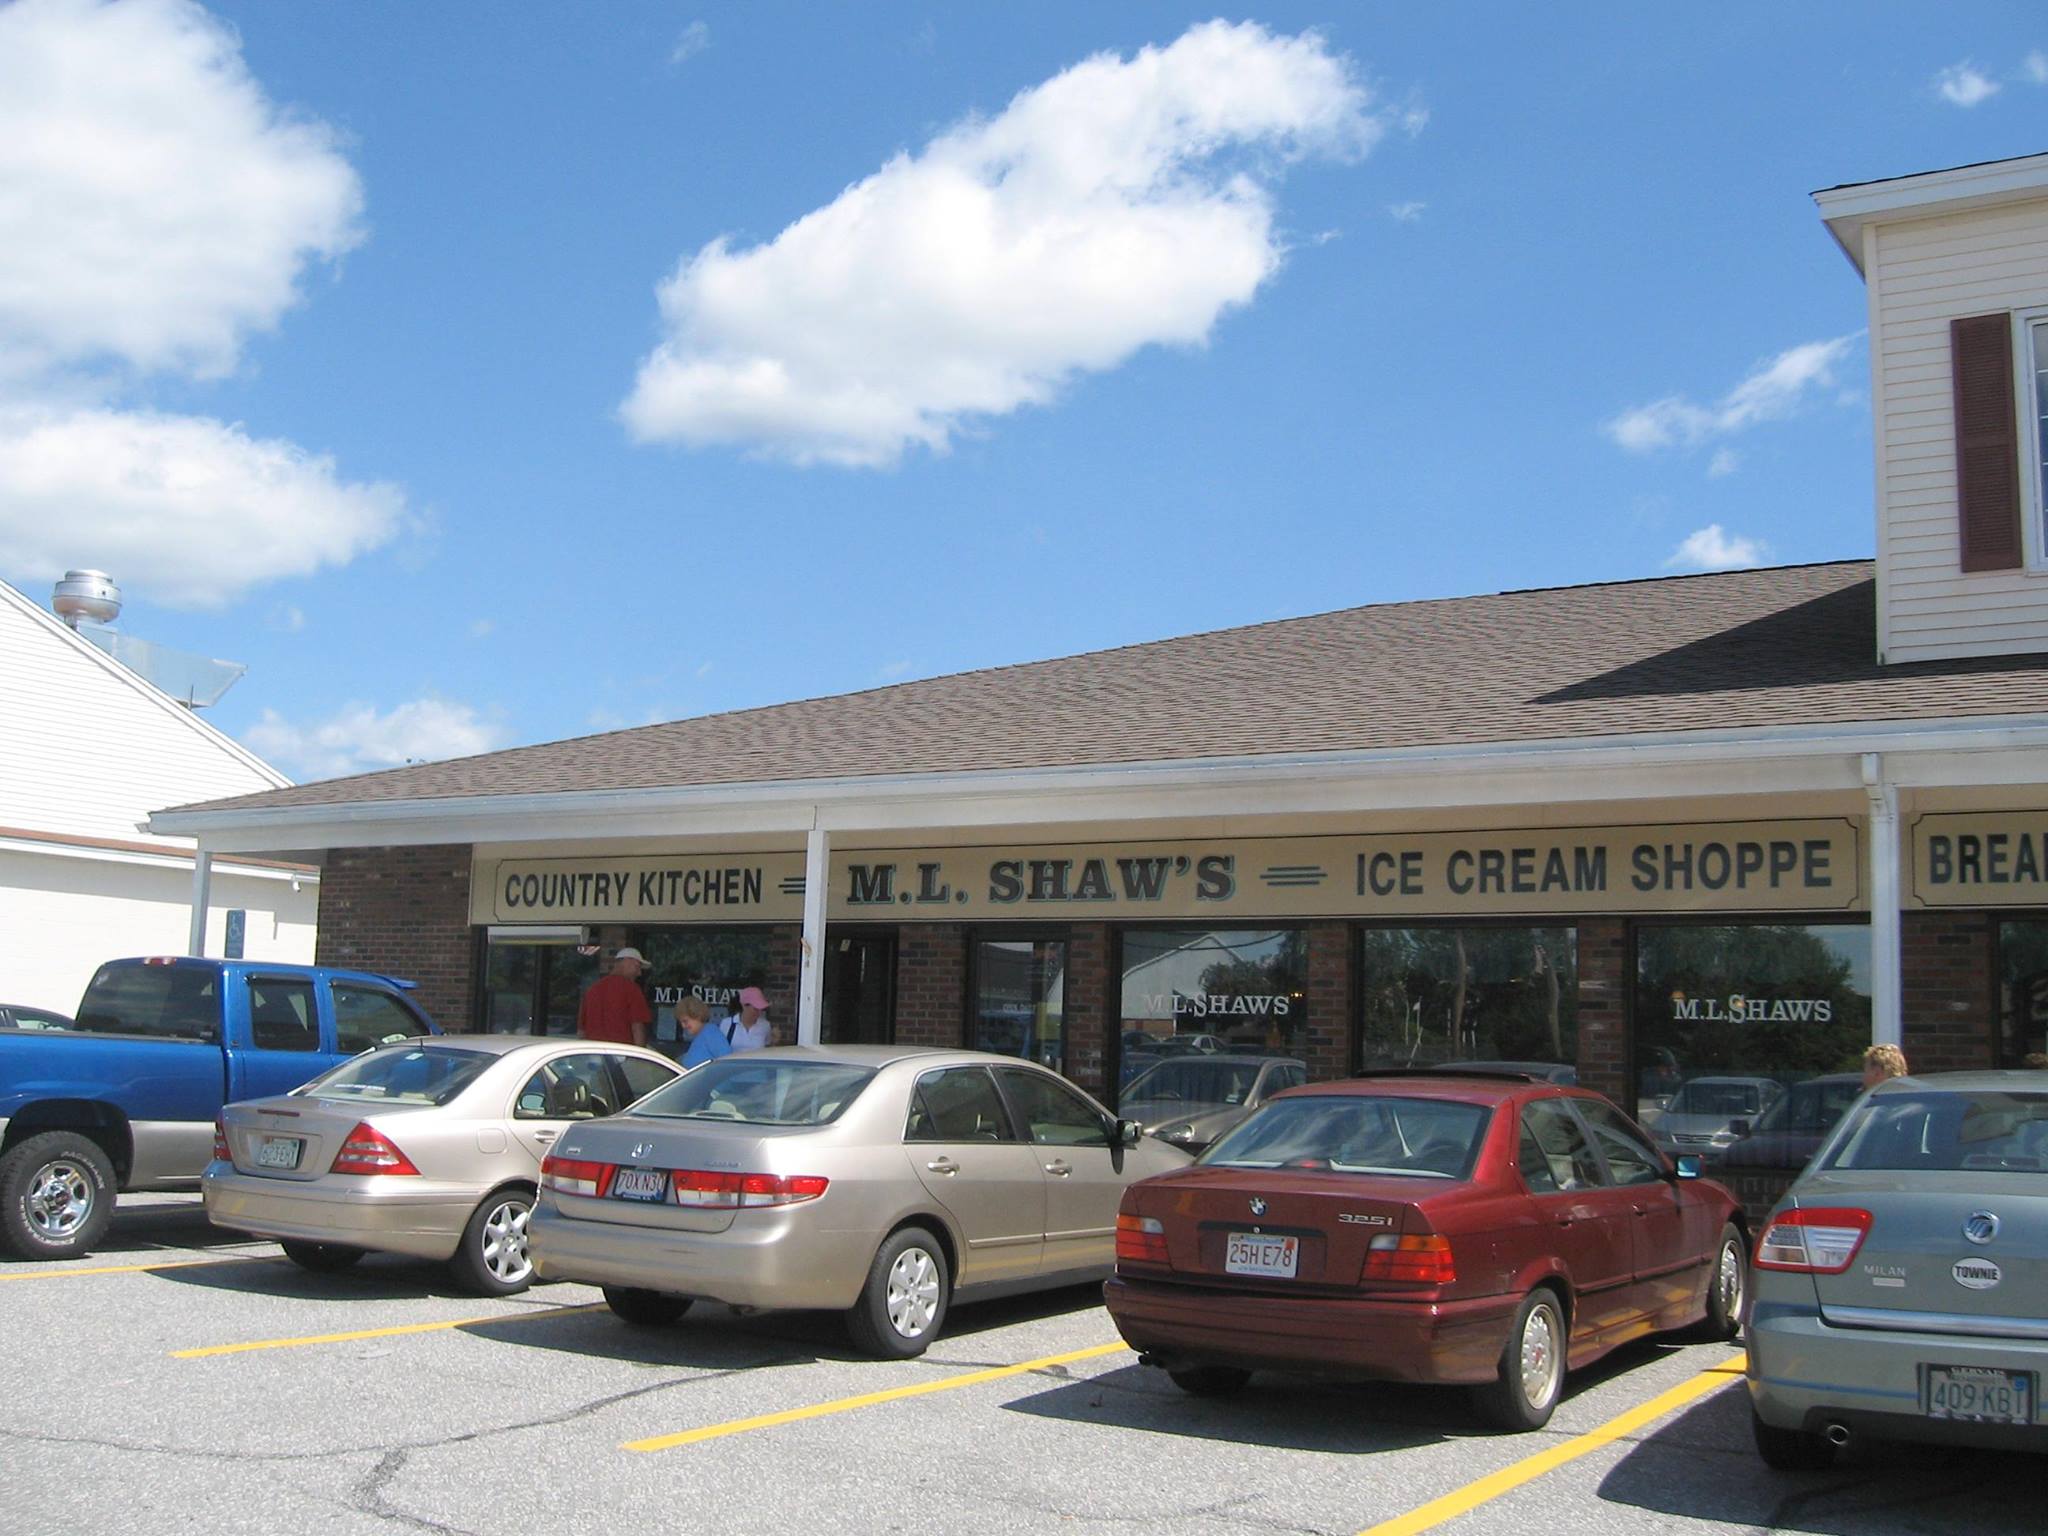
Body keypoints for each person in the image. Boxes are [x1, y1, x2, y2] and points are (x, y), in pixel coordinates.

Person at [576, 947, 652, 1047]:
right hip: (621, 1051)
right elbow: (637, 1026)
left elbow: (581, 1031)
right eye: (637, 967)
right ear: (626, 961)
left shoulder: (592, 990)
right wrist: (641, 1055)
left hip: (593, 1052)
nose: (639, 973)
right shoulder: (632, 989)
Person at [677, 995, 732, 1069]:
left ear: (698, 1016)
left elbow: (727, 1063)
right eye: (681, 1022)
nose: (683, 1026)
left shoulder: (711, 1034)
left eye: (685, 1021)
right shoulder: (700, 1036)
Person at [720, 986, 772, 1051]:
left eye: (761, 1009)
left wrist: (774, 1042)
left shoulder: (765, 1025)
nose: (759, 1012)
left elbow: (767, 1048)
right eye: (755, 1009)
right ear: (744, 1005)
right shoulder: (727, 1024)